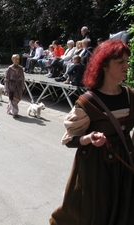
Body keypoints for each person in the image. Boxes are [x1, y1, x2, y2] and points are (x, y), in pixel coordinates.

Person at [50, 39, 134, 224]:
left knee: (125, 210)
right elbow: (70, 139)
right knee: (94, 213)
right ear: (104, 66)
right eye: (120, 62)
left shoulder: (129, 95)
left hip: (125, 165)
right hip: (96, 172)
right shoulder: (88, 102)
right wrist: (88, 138)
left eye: (127, 61)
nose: (126, 66)